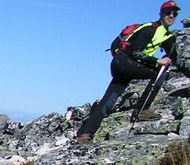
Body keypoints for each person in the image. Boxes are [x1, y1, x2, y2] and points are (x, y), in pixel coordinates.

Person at [76, 1, 180, 143]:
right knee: (159, 73)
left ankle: (85, 134)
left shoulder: (166, 35)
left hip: (121, 65)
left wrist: (170, 55)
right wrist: (157, 61)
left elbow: (172, 54)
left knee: (108, 100)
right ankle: (142, 110)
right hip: (125, 63)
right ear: (161, 13)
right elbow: (136, 52)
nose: (171, 15)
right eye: (168, 12)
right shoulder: (150, 29)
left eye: (175, 13)